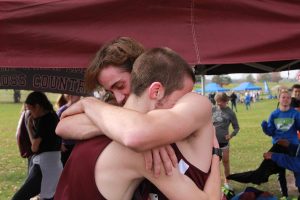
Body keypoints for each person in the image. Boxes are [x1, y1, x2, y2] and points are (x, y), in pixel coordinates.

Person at [55, 47, 221, 200]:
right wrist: (215, 158)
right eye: (179, 100)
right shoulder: (142, 149)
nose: (118, 97)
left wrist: (91, 106)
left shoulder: (106, 120)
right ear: (156, 90)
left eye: (120, 85)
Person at [227, 89, 300, 199]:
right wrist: (265, 127)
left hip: (292, 146)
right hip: (278, 146)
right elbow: (270, 132)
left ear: (291, 100)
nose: (286, 100)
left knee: (297, 169)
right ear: (279, 99)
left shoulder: (295, 114)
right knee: (279, 172)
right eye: (283, 97)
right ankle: (284, 194)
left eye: (288, 98)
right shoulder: (274, 114)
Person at [12, 91, 62, 200]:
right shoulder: (53, 116)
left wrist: (29, 127)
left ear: (38, 106)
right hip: (54, 165)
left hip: (44, 167)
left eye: (31, 109)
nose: (30, 113)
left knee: (18, 197)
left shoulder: (45, 120)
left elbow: (34, 147)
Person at [212, 92, 239, 190]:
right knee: (214, 164)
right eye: (217, 102)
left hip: (224, 143)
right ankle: (214, 183)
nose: (218, 104)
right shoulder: (212, 109)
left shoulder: (230, 112)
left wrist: (231, 135)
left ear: (226, 101)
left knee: (226, 162)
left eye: (220, 102)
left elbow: (236, 127)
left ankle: (227, 182)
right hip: (212, 143)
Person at [56, 94, 81, 166]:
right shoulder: (62, 111)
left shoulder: (81, 109)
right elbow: (55, 128)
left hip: (77, 144)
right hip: (66, 146)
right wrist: (60, 144)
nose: (78, 95)